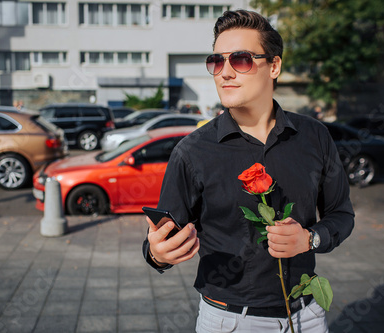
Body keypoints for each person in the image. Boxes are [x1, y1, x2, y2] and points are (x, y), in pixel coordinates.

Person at [142, 9, 354, 333]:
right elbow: (163, 238)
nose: (225, 72)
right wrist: (158, 254)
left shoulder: (315, 137)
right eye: (217, 61)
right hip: (230, 321)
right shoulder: (191, 152)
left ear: (274, 66)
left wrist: (309, 239)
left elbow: (341, 214)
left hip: (307, 315)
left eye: (240, 59)